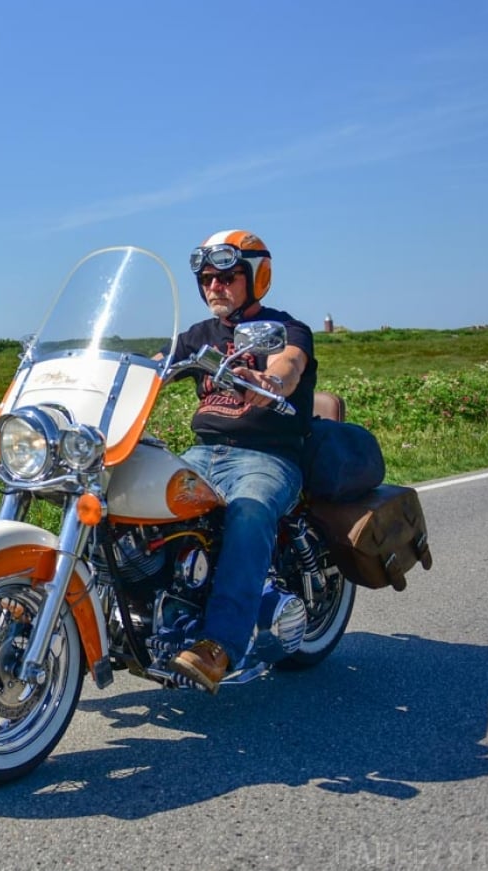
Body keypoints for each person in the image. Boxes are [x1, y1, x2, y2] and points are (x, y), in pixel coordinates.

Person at [166, 229, 317, 694]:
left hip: (268, 456)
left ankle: (221, 643)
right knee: (131, 489)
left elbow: (289, 366)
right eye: (209, 279)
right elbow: (153, 362)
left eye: (228, 278)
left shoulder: (286, 329)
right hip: (203, 453)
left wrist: (268, 381)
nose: (215, 287)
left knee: (248, 509)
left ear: (256, 278)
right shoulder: (198, 337)